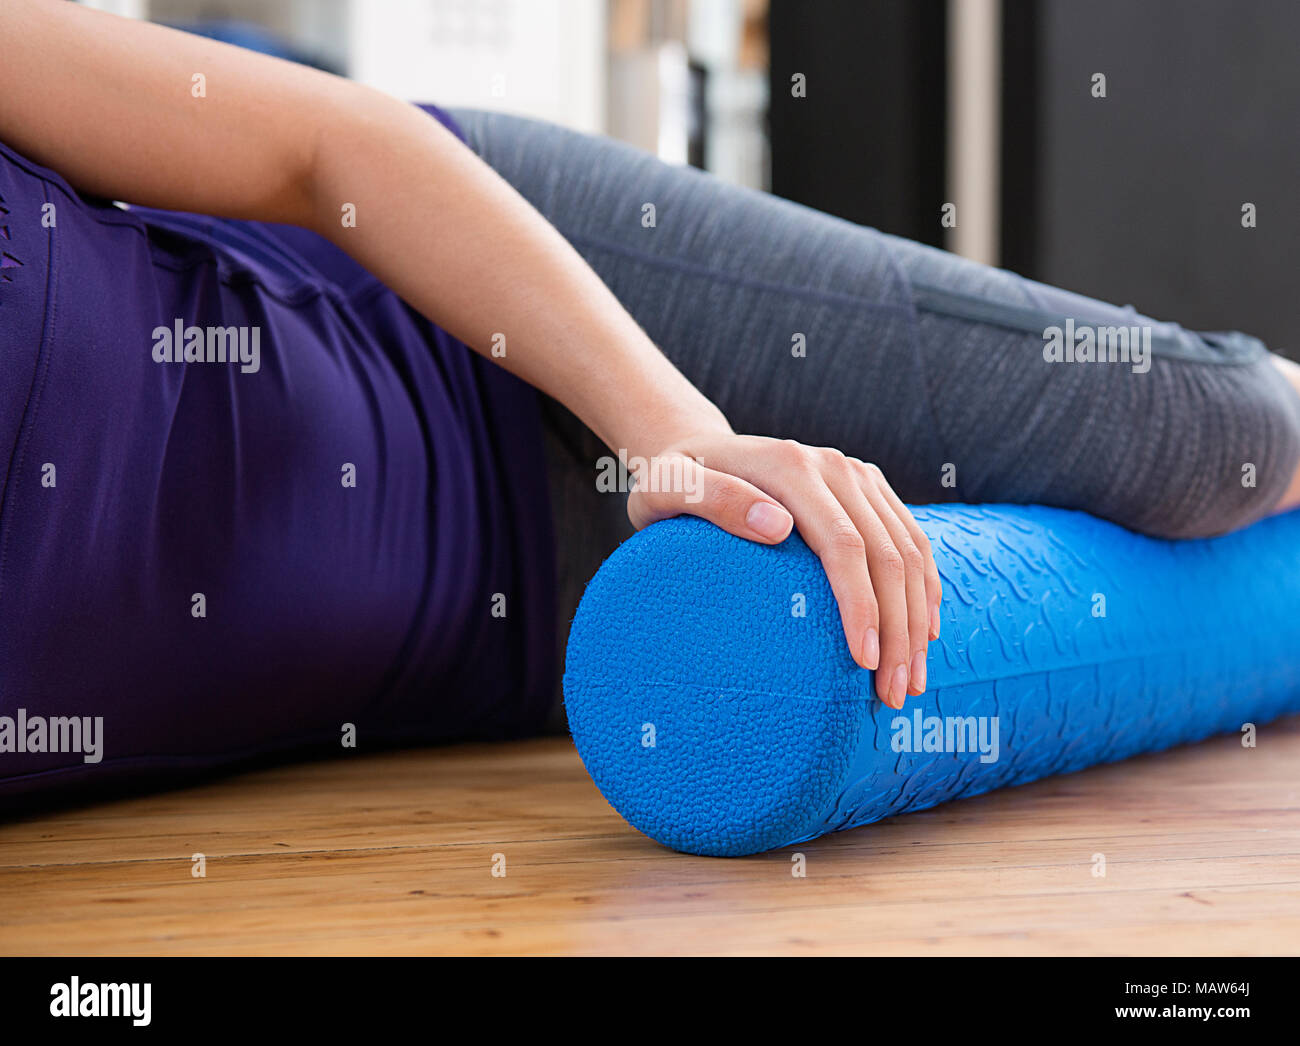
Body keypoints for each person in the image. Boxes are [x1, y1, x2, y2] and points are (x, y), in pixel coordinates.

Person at [2, 0, 1298, 800]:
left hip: (498, 319)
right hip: (524, 646)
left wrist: (673, 431)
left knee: (1198, 432)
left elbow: (327, 147)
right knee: (789, 657)